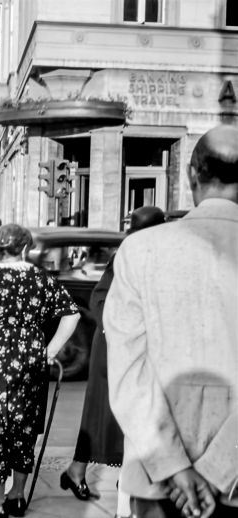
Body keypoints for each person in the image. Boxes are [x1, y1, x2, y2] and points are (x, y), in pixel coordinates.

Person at [105, 125, 238, 518]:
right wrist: (217, 470)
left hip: (158, 483)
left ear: (191, 175)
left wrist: (176, 467)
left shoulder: (140, 251)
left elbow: (128, 375)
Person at [0, 224, 80, 518]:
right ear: (25, 249)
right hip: (32, 361)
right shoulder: (41, 278)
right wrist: (50, 350)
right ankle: (17, 496)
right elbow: (72, 314)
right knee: (24, 429)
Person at [61, 206, 166, 516]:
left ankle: (87, 474)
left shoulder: (147, 253)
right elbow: (100, 298)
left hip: (131, 346)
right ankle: (94, 477)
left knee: (112, 419)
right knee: (105, 416)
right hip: (116, 346)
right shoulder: (127, 256)